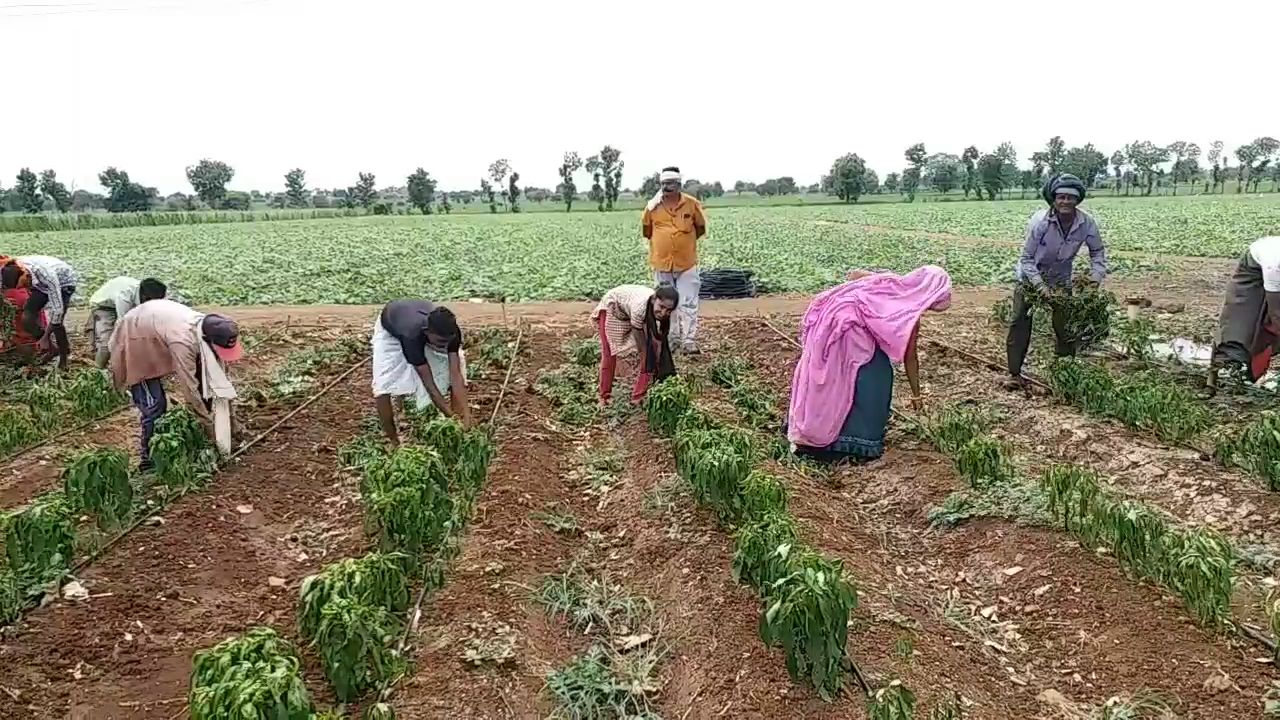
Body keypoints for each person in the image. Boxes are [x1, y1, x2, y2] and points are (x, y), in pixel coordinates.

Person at [786, 266, 952, 463]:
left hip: (828, 324)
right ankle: (855, 444)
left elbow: (853, 274)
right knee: (873, 379)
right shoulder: (907, 311)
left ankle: (815, 429)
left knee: (831, 381)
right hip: (848, 332)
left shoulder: (892, 283)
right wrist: (917, 395)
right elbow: (910, 358)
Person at [109, 298, 243, 469]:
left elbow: (220, 381)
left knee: (207, 389)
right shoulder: (183, 341)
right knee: (154, 405)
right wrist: (211, 431)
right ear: (210, 342)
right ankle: (148, 460)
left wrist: (233, 425)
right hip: (136, 334)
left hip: (158, 324)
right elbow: (190, 390)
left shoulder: (211, 328)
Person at [1004, 173, 1106, 389]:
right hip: (1030, 278)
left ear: (1077, 200)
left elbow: (1097, 252)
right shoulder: (1041, 223)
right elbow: (1026, 259)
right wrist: (1040, 287)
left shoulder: (1086, 223)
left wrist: (1094, 280)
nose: (1065, 202)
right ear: (1054, 199)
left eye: (1070, 197)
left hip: (1061, 279)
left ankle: (1064, 372)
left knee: (1065, 326)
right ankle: (1014, 374)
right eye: (1061, 197)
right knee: (1020, 321)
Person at [372, 300, 470, 445]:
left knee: (457, 366)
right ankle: (393, 441)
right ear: (427, 333)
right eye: (440, 343)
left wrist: (466, 416)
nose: (445, 346)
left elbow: (455, 376)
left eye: (447, 343)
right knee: (383, 386)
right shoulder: (411, 335)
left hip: (414, 317)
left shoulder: (452, 333)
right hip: (391, 326)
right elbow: (429, 384)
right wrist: (450, 417)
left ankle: (459, 433)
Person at [643, 166, 707, 354]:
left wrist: (682, 244)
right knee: (665, 304)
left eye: (671, 184)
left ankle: (688, 341)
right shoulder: (652, 208)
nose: (667, 188)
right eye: (664, 184)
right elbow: (647, 231)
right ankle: (670, 339)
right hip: (662, 263)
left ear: (679, 185)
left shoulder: (691, 204)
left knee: (688, 302)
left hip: (686, 263)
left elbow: (700, 228)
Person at [1206, 236, 1280, 394]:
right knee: (1240, 321)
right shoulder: (1274, 263)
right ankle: (1224, 370)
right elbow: (1275, 311)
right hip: (1253, 266)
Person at [594, 283, 679, 406]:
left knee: (653, 350)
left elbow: (660, 342)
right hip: (613, 308)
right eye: (661, 307)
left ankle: (640, 394)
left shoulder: (660, 311)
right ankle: (604, 397)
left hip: (630, 309)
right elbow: (643, 350)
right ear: (654, 299)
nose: (663, 312)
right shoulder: (640, 309)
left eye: (668, 310)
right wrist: (648, 360)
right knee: (609, 353)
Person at [1, 255, 78, 369]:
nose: (23, 288)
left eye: (23, 285)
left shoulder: (47, 276)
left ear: (26, 275)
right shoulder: (6, 272)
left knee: (58, 323)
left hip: (64, 283)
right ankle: (51, 348)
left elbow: (57, 310)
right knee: (27, 317)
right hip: (39, 285)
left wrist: (46, 336)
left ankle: (63, 359)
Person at [87, 276, 167, 368]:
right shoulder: (125, 297)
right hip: (104, 306)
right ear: (145, 297)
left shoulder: (150, 292)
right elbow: (122, 325)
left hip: (120, 302)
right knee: (106, 344)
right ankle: (97, 371)